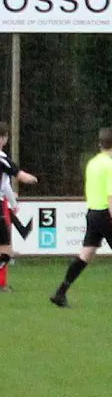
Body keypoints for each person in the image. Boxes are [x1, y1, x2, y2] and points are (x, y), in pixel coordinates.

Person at [50, 129, 112, 308]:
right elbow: (111, 194)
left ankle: (60, 292)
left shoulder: (92, 163)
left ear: (100, 144)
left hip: (92, 212)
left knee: (86, 254)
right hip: (105, 212)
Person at [0, 122, 38, 292]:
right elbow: (19, 175)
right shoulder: (2, 159)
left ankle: (2, 284)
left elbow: (5, 185)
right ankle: (1, 284)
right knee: (6, 251)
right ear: (4, 138)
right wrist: (33, 179)